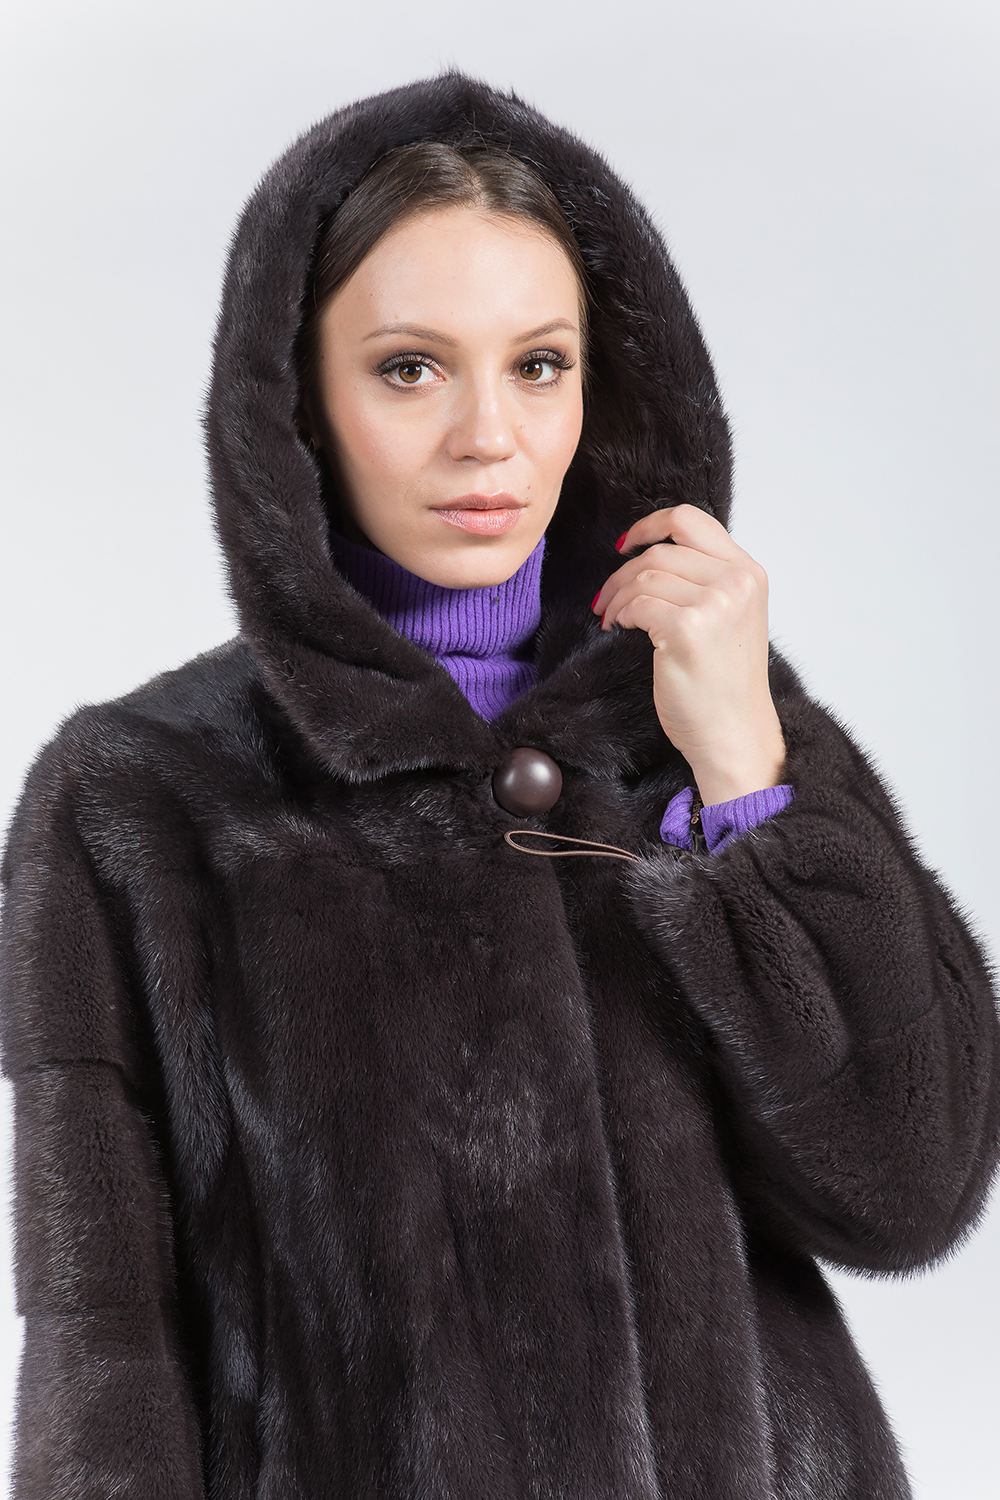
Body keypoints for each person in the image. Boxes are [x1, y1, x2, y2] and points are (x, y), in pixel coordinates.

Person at [1, 69, 997, 1500]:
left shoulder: (715, 717)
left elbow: (908, 1190)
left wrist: (742, 771)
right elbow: (105, 1354)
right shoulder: (139, 798)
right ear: (298, 400)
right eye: (411, 368)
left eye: (539, 364)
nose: (489, 436)